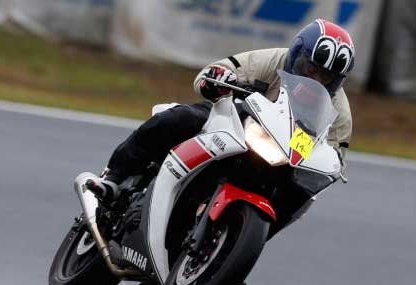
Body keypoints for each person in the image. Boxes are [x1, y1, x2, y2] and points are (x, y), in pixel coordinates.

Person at [89, 19, 355, 238]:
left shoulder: (339, 112)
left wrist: (323, 165)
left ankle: (238, 246)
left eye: (326, 77)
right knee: (178, 118)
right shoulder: (272, 60)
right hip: (233, 123)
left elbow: (335, 161)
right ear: (296, 55)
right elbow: (217, 70)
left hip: (281, 160)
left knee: (301, 196)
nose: (315, 79)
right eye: (310, 69)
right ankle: (115, 177)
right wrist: (218, 79)